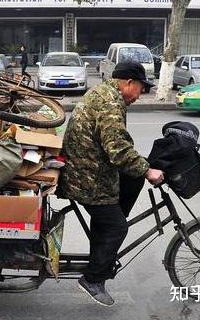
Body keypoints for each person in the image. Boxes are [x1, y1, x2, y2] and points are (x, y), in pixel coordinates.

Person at [57, 60, 165, 307]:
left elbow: (115, 145)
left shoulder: (104, 92)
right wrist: (148, 171)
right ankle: (93, 280)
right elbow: (117, 149)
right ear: (129, 82)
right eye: (141, 88)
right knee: (117, 227)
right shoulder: (111, 103)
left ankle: (107, 226)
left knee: (134, 176)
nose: (140, 95)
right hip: (86, 178)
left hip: (88, 168)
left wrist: (141, 168)